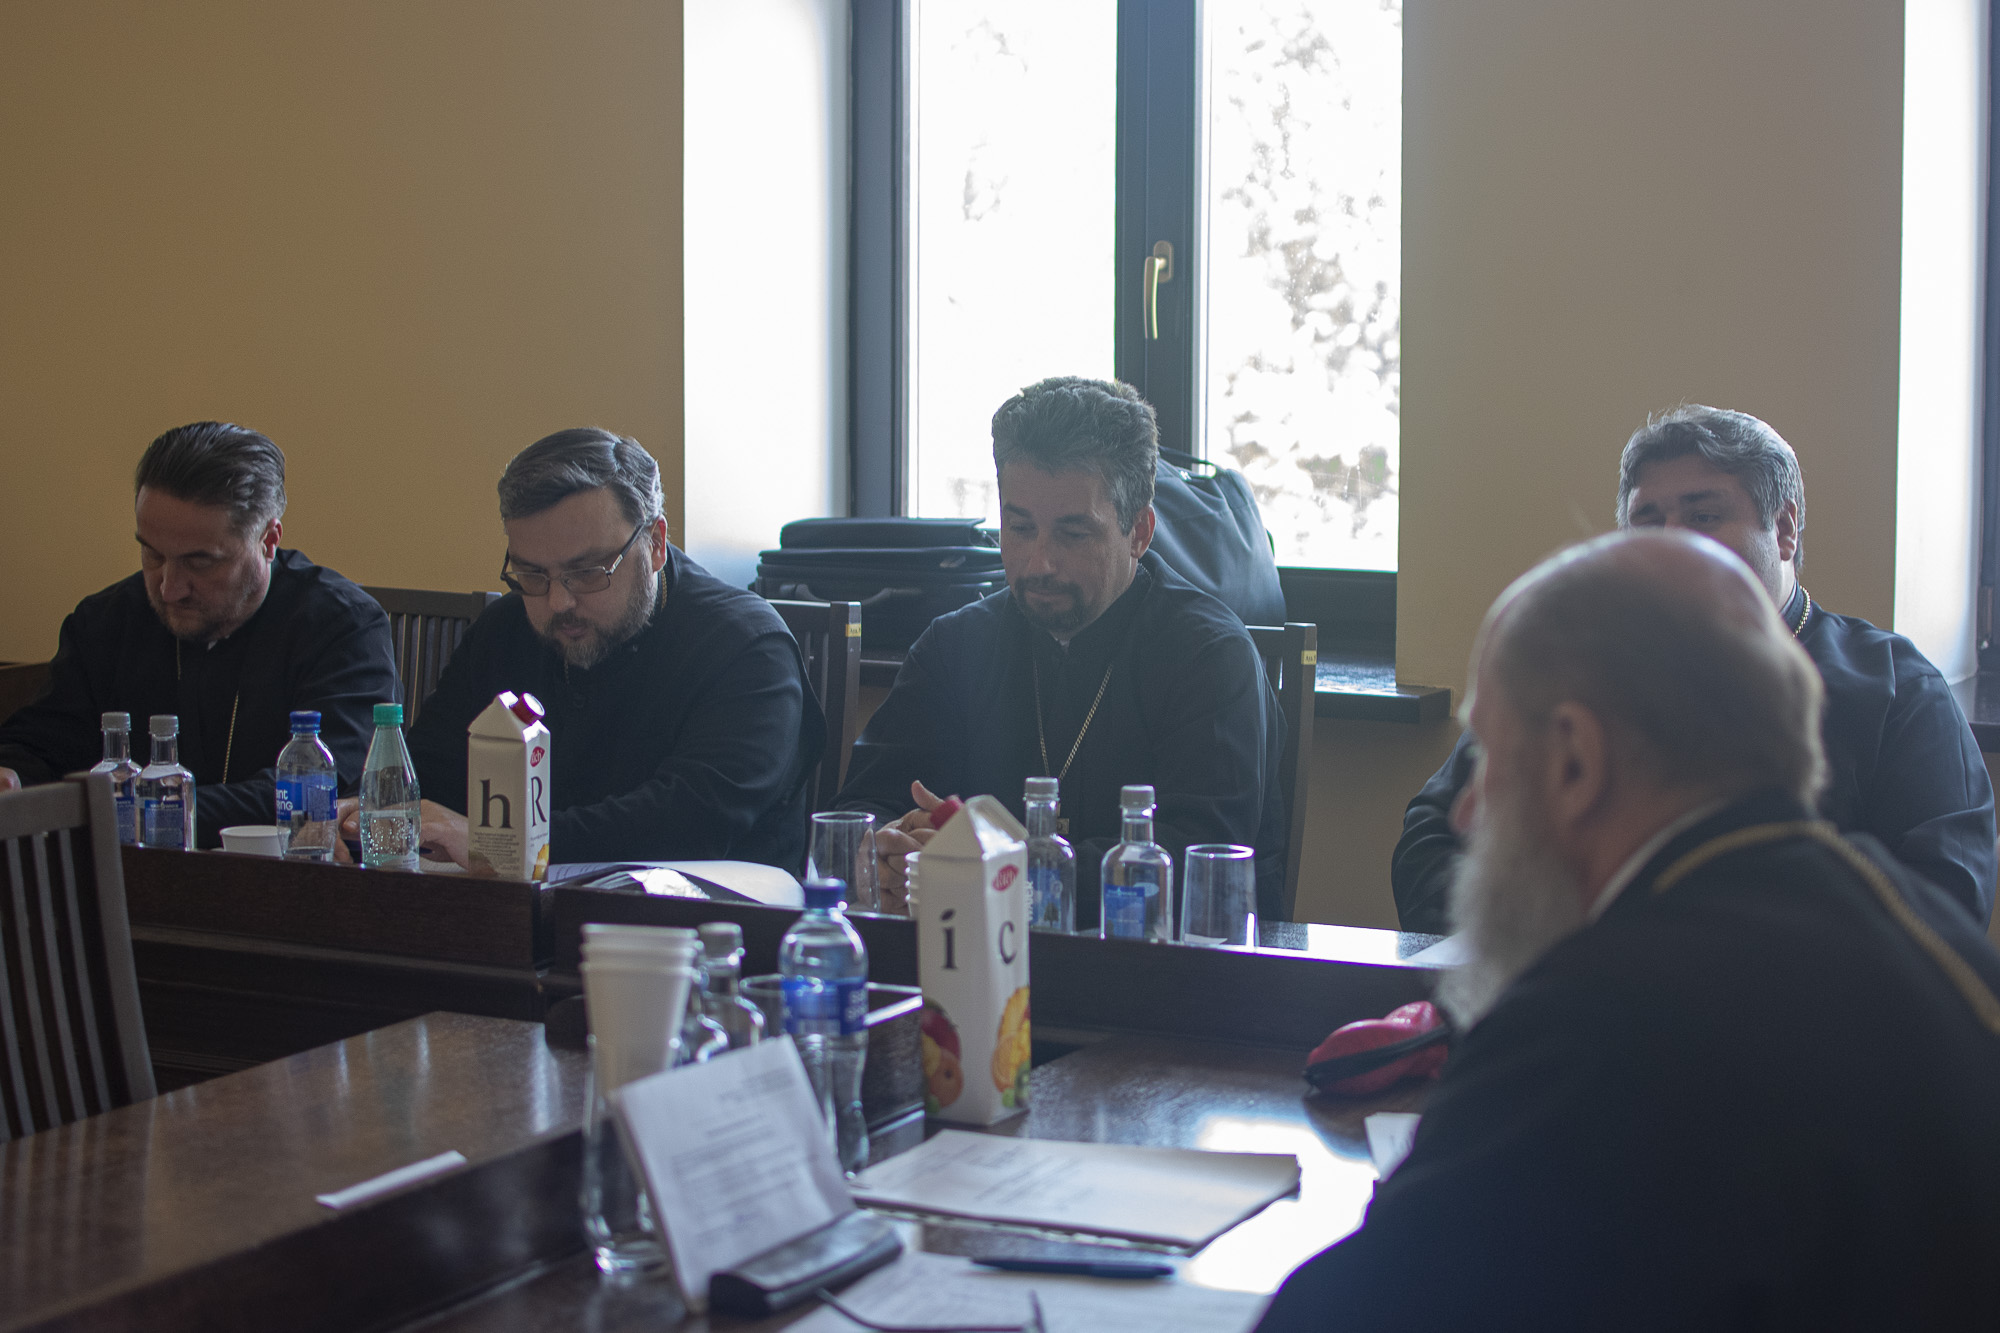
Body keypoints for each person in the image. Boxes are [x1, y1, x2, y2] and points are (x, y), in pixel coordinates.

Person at [1258, 530, 2000, 1332]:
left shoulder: (1595, 1025)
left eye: (1490, 757)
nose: (1466, 813)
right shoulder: (1936, 939)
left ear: (1576, 762)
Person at [1393, 406, 1995, 931]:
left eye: (1703, 516)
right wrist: (1566, 940)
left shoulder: (1897, 689)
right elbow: (1431, 838)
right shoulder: (1573, 670)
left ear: (1784, 529)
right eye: (1648, 520)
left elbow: (1947, 897)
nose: (1670, 540)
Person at [835, 376, 1286, 923]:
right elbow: (859, 809)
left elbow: (1199, 862)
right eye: (1020, 528)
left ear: (1139, 532)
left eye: (1073, 534)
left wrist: (1001, 872)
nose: (1039, 563)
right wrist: (883, 848)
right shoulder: (954, 646)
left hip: (1150, 965)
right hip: (966, 954)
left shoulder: (1209, 657)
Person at [369, 427, 822, 872]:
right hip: (520, 907)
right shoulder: (506, 627)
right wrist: (370, 819)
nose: (558, 601)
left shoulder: (747, 647)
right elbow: (429, 774)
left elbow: (689, 821)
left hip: (710, 911)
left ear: (655, 544)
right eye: (532, 574)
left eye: (587, 572)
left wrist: (499, 843)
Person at [0, 421, 398, 847]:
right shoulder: (104, 621)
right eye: (152, 554)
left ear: (268, 540)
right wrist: (11, 773)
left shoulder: (343, 626)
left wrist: (138, 811)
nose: (169, 588)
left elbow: (320, 789)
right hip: (123, 873)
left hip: (281, 873)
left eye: (200, 561)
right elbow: (40, 746)